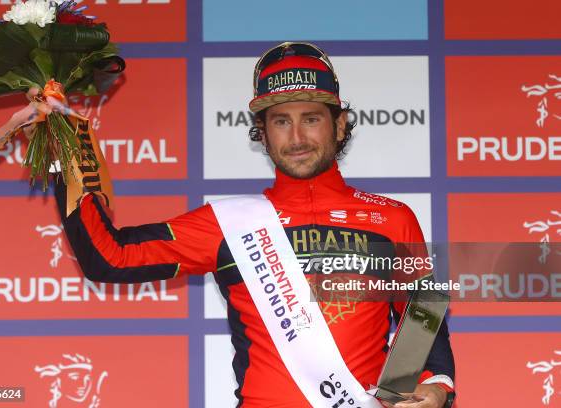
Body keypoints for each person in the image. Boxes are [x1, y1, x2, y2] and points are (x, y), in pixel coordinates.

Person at [54, 42, 455, 408]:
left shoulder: (392, 218)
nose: (297, 137)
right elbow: (110, 257)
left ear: (340, 124)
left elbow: (422, 314)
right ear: (261, 133)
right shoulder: (225, 223)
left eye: (311, 119)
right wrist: (60, 141)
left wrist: (433, 386)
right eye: (280, 122)